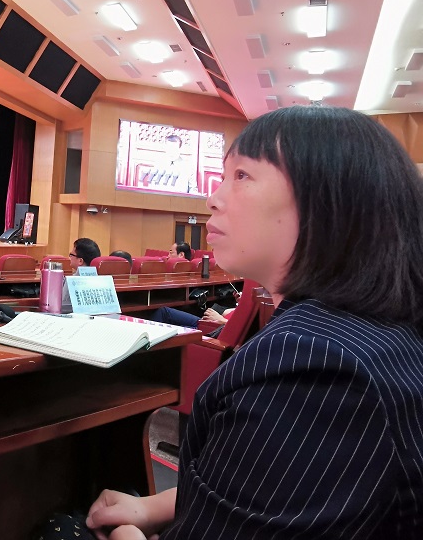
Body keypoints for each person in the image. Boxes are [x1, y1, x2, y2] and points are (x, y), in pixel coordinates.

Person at [81, 105, 423, 539]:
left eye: (242, 175)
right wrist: (150, 506)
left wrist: (121, 533)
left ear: (328, 202)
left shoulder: (317, 369)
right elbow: (272, 491)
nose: (213, 198)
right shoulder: (376, 332)